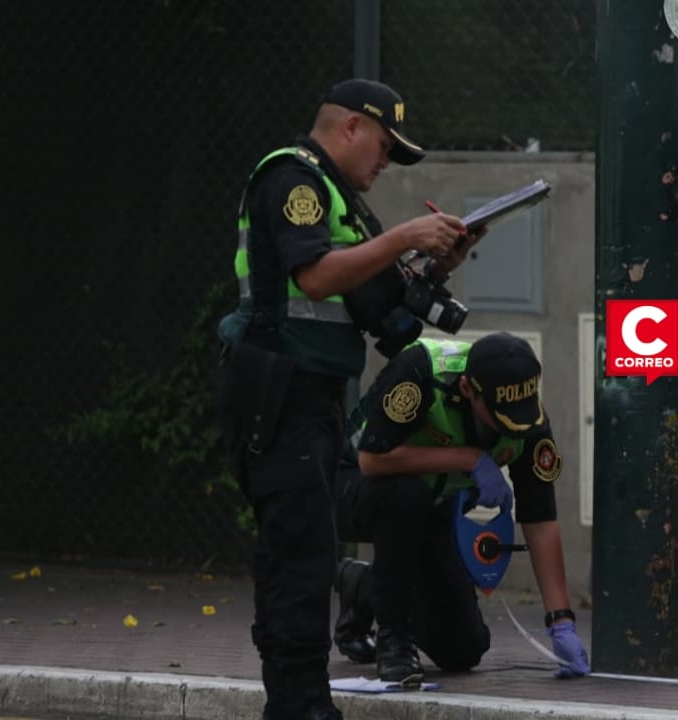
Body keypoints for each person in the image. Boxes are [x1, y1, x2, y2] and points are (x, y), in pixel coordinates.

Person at [216, 78, 472, 720]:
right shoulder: (293, 179)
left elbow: (385, 311)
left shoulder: (343, 204)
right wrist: (406, 235)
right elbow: (315, 276)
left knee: (307, 549)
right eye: (385, 146)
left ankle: (299, 703)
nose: (386, 163)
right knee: (299, 555)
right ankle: (301, 706)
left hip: (313, 394)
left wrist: (438, 265)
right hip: (278, 391)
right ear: (351, 126)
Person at [332, 332, 591, 686]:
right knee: (405, 494)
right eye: (499, 414)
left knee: (463, 649)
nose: (509, 426)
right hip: (352, 488)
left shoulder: (526, 419)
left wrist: (561, 622)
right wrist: (470, 458)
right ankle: (394, 643)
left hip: (431, 509)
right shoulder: (421, 373)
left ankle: (364, 586)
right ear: (468, 389)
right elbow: (372, 460)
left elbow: (541, 518)